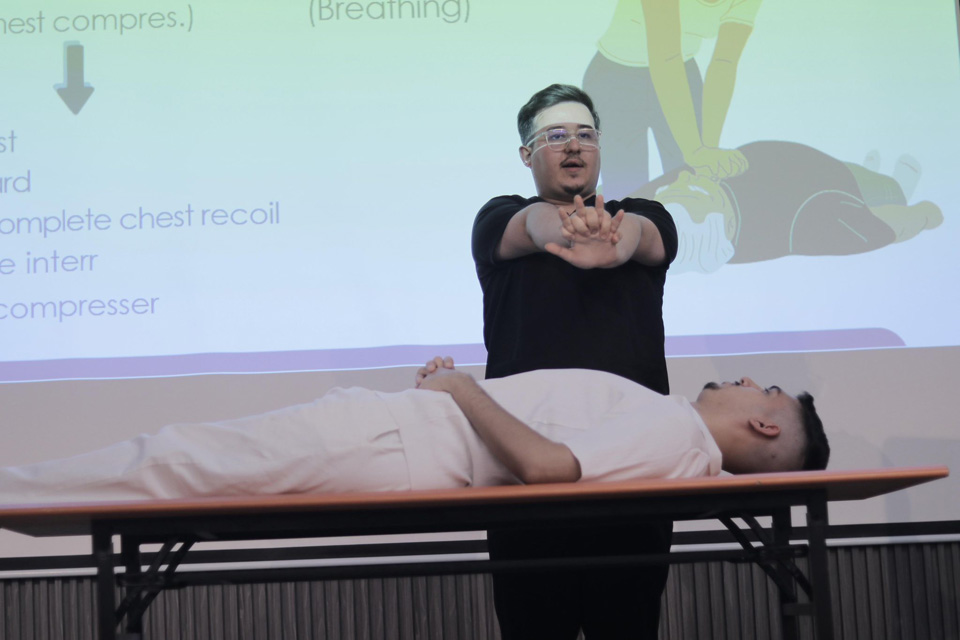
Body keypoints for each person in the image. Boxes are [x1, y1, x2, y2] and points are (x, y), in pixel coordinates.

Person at [0, 357, 829, 506]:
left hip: (394, 442)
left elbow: (548, 468)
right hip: (397, 440)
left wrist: (461, 388)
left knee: (176, 460)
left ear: (763, 423)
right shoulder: (675, 435)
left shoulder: (674, 431)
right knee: (179, 461)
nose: (744, 378)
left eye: (762, 388)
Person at [471, 84, 677, 639]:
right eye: (556, 136)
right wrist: (566, 230)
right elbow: (533, 225)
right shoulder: (499, 216)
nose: (573, 146)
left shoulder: (642, 214)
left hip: (632, 468)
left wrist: (613, 242)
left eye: (585, 135)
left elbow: (642, 238)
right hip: (529, 473)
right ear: (527, 154)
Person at [633, 140, 944, 273]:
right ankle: (898, 189)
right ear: (722, 221)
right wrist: (924, 215)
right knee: (885, 193)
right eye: (689, 189)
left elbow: (633, 201)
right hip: (843, 187)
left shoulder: (683, 198)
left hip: (816, 166)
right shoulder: (809, 221)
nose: (684, 177)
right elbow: (879, 230)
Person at [582, 0, 761, 196]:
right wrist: (695, 151)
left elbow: (724, 63)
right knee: (628, 194)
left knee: (691, 186)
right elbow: (666, 55)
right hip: (616, 80)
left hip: (683, 73)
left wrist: (708, 150)